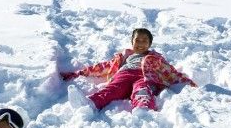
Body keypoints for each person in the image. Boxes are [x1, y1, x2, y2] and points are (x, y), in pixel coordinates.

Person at [60, 28, 197, 111]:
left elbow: (169, 71)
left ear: (150, 44)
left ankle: (143, 109)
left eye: (144, 41)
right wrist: (78, 73)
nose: (141, 44)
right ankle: (89, 103)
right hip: (124, 74)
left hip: (143, 76)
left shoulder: (155, 57)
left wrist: (185, 80)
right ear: (132, 42)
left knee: (142, 91)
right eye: (137, 40)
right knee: (112, 90)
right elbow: (102, 67)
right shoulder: (124, 56)